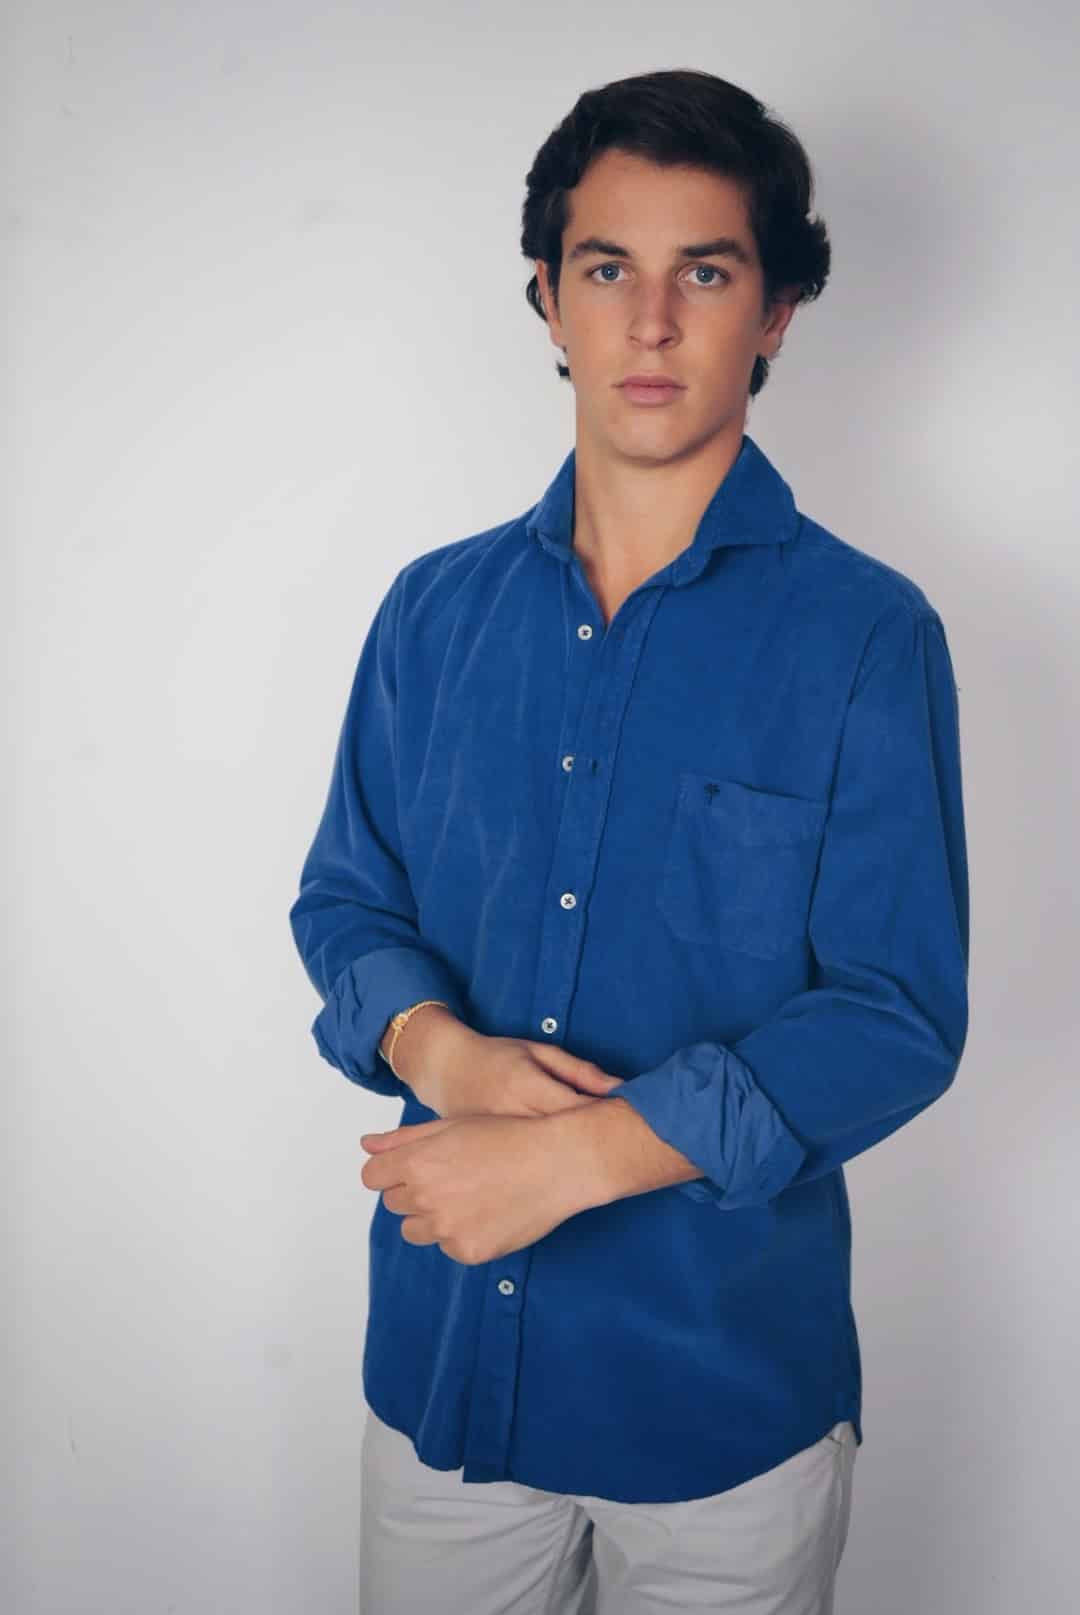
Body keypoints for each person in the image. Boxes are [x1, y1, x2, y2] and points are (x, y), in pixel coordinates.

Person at [288, 66, 969, 1615]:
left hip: (727, 1405)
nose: (650, 323)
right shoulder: (431, 614)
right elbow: (345, 899)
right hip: (447, 1369)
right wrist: (444, 1056)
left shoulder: (868, 637)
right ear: (548, 295)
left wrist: (575, 1159)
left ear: (776, 310)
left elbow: (893, 1015)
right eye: (607, 270)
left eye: (704, 274)